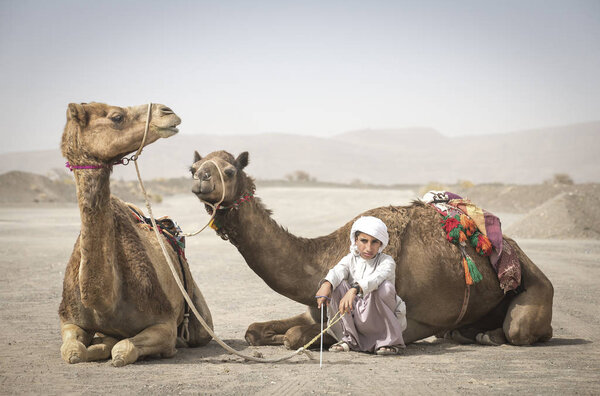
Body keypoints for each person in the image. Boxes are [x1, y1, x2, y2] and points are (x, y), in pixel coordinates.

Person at [315, 216, 407, 355]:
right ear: (356, 240)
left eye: (374, 242)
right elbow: (338, 270)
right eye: (364, 241)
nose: (369, 248)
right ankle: (348, 339)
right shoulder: (351, 259)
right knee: (337, 285)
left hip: (376, 313)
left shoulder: (387, 261)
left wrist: (354, 289)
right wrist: (327, 283)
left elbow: (377, 278)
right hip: (353, 310)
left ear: (381, 243)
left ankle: (387, 342)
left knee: (385, 288)